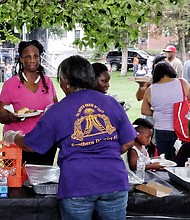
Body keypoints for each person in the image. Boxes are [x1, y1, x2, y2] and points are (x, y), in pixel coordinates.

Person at [3, 55, 137, 220]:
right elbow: (128, 141)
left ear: (65, 81)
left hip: (77, 184)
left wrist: (13, 136)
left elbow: (32, 144)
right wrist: (106, 153)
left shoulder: (57, 110)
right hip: (114, 181)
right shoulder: (111, 103)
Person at [0, 40, 58, 165]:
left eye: (35, 56)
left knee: (41, 181)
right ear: (21, 59)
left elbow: (56, 109)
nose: (32, 60)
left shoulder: (47, 82)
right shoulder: (10, 84)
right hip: (17, 143)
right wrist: (11, 117)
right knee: (16, 182)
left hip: (44, 143)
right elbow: (1, 116)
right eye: (28, 56)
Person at [141, 61, 190, 161]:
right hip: (182, 127)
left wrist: (158, 112)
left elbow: (144, 111)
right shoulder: (182, 83)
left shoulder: (151, 89)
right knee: (184, 159)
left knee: (165, 161)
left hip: (162, 129)